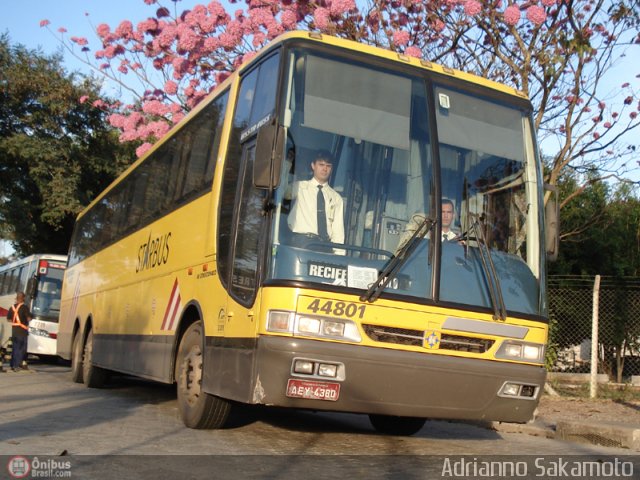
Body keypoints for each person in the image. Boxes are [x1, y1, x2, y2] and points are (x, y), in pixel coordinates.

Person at [287, 150, 345, 249]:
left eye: (328, 166)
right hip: (301, 242)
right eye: (321, 164)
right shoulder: (299, 187)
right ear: (313, 166)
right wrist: (287, 163)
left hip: (325, 245)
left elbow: (338, 230)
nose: (325, 169)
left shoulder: (337, 198)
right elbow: (281, 193)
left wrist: (338, 257)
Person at [395, 199, 459, 254]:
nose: (446, 216)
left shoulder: (457, 241)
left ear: (453, 215)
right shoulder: (424, 237)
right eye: (442, 212)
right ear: (437, 214)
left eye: (449, 212)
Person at [6, 292, 31, 372]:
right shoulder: (25, 307)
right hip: (22, 331)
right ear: (23, 298)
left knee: (15, 348)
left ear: (17, 298)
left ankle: (12, 365)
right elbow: (29, 318)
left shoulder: (12, 307)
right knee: (21, 349)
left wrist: (16, 320)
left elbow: (9, 319)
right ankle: (17, 365)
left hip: (14, 330)